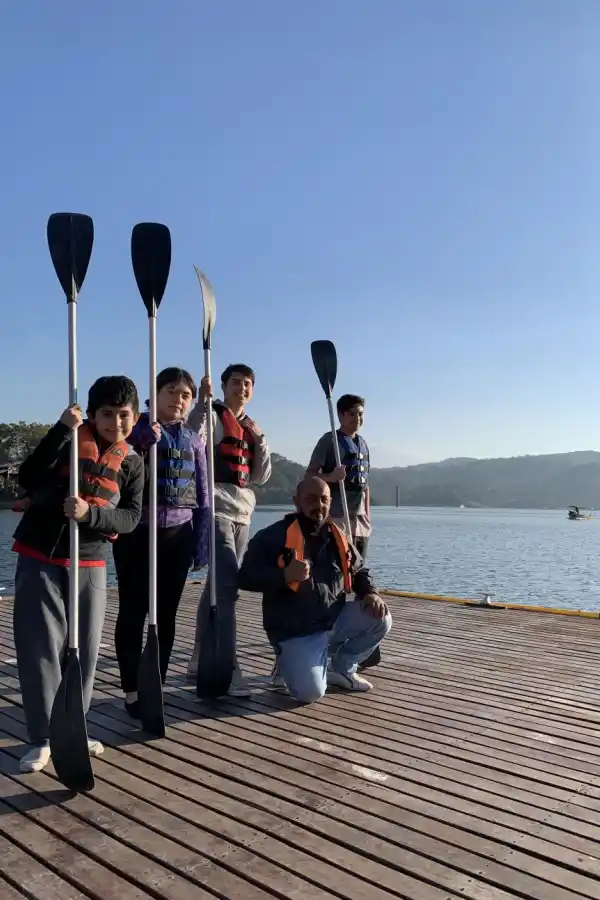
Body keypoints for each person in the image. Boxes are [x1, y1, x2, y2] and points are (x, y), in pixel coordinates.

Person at [12, 375, 144, 773]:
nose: (115, 423)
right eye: (107, 414)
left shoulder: (133, 464)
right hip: (41, 556)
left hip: (90, 562)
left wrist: (92, 514)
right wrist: (59, 430)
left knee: (84, 651)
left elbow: (131, 517)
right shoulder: (69, 439)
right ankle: (42, 737)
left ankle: (74, 727)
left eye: (124, 416)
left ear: (134, 417)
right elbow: (29, 477)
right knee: (40, 650)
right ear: (92, 414)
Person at [238, 476, 391, 702]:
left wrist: (370, 593)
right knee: (310, 693)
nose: (318, 505)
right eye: (311, 499)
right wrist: (283, 576)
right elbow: (245, 577)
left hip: (332, 619)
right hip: (295, 631)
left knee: (381, 617)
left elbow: (359, 570)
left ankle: (343, 669)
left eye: (324, 499)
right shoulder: (271, 537)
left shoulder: (337, 535)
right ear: (296, 501)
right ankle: (287, 663)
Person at [113, 367, 209, 718]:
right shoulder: (135, 427)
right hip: (136, 533)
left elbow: (202, 493)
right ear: (157, 392)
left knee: (165, 615)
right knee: (133, 611)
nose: (179, 399)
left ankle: (156, 682)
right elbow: (117, 458)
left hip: (177, 536)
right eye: (172, 391)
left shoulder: (194, 440)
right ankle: (131, 689)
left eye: (186, 395)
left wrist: (201, 543)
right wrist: (139, 437)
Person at [186, 363, 271, 696]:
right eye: (236, 382)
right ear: (223, 386)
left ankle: (197, 657)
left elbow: (260, 475)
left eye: (248, 383)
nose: (242, 388)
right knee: (227, 589)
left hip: (243, 513)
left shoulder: (250, 427)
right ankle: (227, 662)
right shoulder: (213, 416)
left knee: (214, 588)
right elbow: (193, 441)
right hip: (217, 508)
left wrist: (260, 439)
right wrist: (202, 403)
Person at [306, 393, 380, 671]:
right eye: (351, 414)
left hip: (358, 520)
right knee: (337, 578)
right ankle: (327, 632)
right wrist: (330, 478)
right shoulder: (329, 441)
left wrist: (368, 519)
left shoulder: (363, 444)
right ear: (340, 416)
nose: (357, 419)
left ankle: (362, 635)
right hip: (337, 518)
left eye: (360, 414)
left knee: (360, 578)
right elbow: (309, 476)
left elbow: (365, 486)